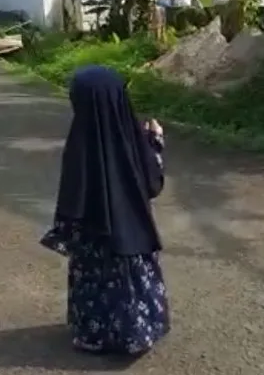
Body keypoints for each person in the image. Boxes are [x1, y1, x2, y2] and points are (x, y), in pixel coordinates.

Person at [40, 65, 170, 356]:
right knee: (132, 278)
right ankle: (139, 330)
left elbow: (72, 196)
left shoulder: (79, 144)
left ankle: (95, 335)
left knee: (95, 282)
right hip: (133, 232)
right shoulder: (132, 138)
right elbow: (153, 182)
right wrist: (155, 142)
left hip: (93, 241)